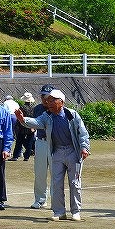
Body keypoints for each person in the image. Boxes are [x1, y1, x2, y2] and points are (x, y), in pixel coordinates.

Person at [16, 89, 90, 221]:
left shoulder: (72, 115)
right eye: (47, 100)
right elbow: (37, 122)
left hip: (73, 151)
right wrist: (23, 120)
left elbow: (82, 133)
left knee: (75, 183)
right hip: (57, 152)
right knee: (56, 183)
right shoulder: (47, 116)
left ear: (61, 102)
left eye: (52, 100)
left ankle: (76, 211)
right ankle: (59, 212)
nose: (48, 102)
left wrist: (84, 148)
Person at [30, 84, 55, 208]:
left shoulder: (57, 108)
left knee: (55, 173)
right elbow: (35, 123)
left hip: (54, 143)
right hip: (40, 142)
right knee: (39, 173)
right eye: (42, 95)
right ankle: (40, 200)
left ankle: (56, 201)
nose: (44, 98)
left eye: (46, 96)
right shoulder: (37, 109)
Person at [9, 91, 35, 161]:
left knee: (19, 141)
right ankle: (27, 156)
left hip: (22, 126)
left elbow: (18, 117)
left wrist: (16, 127)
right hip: (31, 125)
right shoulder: (33, 108)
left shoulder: (21, 108)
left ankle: (15, 156)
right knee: (30, 141)